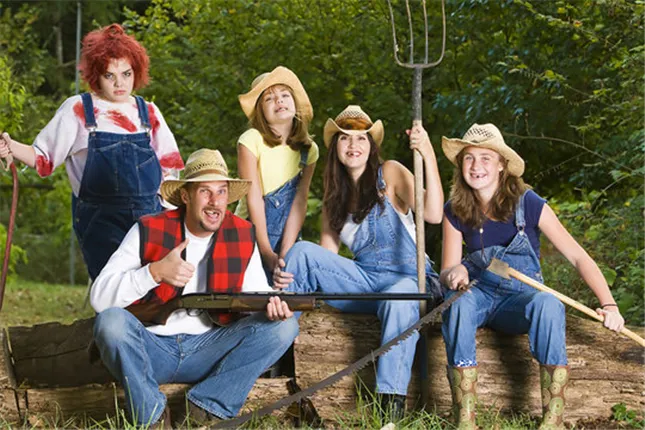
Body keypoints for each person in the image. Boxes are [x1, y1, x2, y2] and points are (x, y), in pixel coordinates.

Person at [90, 148, 298, 428]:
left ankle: (206, 407)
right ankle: (151, 417)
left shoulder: (241, 233)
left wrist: (274, 306)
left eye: (221, 191)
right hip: (152, 349)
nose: (215, 202)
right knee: (111, 323)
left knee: (285, 327)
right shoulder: (147, 229)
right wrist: (153, 272)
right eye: (205, 191)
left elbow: (255, 296)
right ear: (186, 196)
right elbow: (99, 298)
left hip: (210, 350)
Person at [439, 123, 625, 430]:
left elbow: (578, 257)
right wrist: (453, 273)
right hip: (478, 295)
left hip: (519, 298)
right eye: (469, 158)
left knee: (548, 303)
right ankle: (465, 420)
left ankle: (552, 420)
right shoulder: (454, 210)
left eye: (486, 158)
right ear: (460, 165)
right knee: (458, 303)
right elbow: (447, 270)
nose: (476, 166)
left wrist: (610, 305)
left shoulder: (528, 203)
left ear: (502, 165)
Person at [273, 105, 444, 418]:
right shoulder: (334, 198)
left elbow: (433, 213)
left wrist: (427, 153)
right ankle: (275, 349)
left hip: (409, 280)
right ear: (335, 148)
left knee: (399, 297)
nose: (353, 145)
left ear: (371, 146)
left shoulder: (389, 173)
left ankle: (390, 410)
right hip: (366, 282)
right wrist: (288, 276)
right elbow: (324, 261)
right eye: (345, 138)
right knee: (302, 253)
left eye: (361, 138)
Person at [0, 24, 183, 280]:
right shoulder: (79, 110)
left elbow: (170, 170)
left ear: (137, 71)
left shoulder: (148, 112)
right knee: (112, 286)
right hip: (100, 220)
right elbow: (43, 157)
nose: (119, 83)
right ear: (96, 75)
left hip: (150, 217)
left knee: (152, 285)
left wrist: (169, 218)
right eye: (110, 75)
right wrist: (10, 146)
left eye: (126, 74)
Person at [236, 66, 318, 280]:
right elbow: (254, 198)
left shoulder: (309, 149)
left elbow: (299, 201)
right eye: (269, 98)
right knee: (248, 289)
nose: (279, 100)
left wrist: (285, 254)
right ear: (260, 111)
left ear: (295, 103)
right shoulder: (252, 140)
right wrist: (265, 252)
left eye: (284, 95)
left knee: (287, 284)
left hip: (288, 234)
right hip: (251, 231)